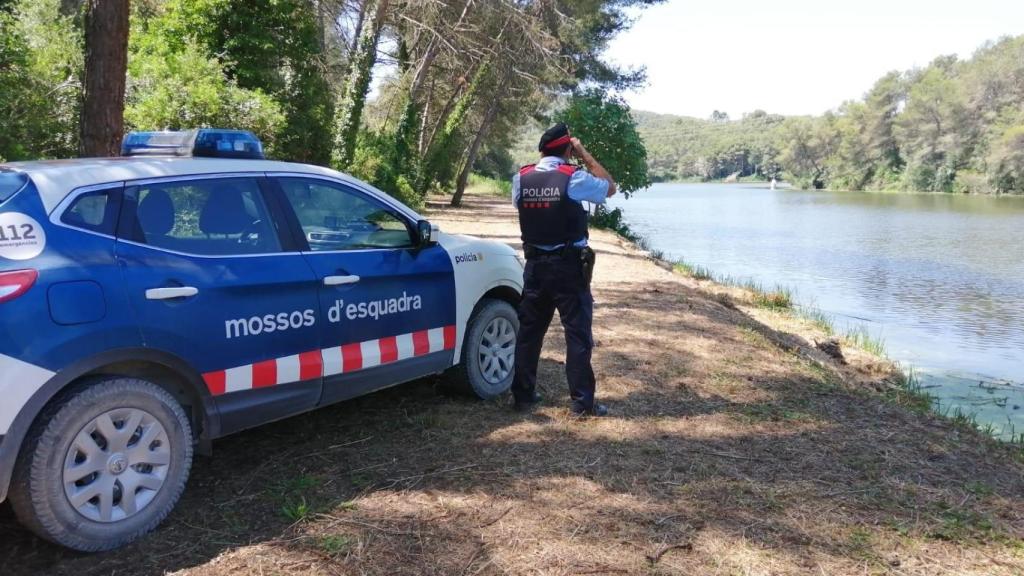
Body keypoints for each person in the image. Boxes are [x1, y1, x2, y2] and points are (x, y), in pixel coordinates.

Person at [511, 123, 616, 416]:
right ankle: (582, 403)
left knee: (529, 334)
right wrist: (584, 153)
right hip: (568, 268)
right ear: (568, 149)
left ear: (542, 149)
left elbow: (520, 206)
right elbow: (610, 187)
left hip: (534, 267)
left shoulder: (521, 178)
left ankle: (523, 396)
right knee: (577, 334)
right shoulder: (574, 177)